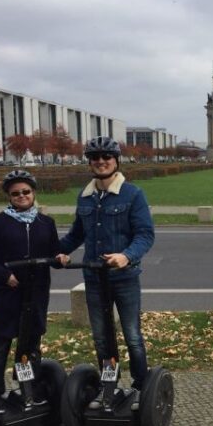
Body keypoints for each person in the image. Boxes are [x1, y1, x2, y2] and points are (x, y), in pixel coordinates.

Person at [57, 137, 155, 410]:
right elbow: (77, 233)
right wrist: (59, 252)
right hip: (94, 278)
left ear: (116, 161)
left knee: (132, 335)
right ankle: (108, 385)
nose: (100, 161)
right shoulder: (85, 196)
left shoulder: (133, 194)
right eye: (95, 157)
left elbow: (145, 235)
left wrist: (126, 255)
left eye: (106, 157)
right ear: (90, 162)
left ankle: (140, 386)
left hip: (124, 278)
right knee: (101, 337)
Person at [0, 170, 67, 412]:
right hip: (8, 293)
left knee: (30, 344)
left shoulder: (46, 223)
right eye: (16, 194)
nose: (21, 196)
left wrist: (60, 258)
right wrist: (4, 275)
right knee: (1, 343)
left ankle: (28, 390)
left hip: (36, 293)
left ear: (33, 193)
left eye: (26, 192)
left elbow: (53, 254)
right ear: (9, 197)